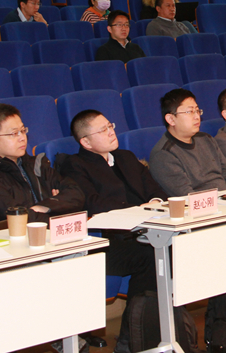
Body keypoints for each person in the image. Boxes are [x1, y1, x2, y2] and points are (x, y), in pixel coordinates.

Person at [57, 110, 162, 353]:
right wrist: (138, 210)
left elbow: (156, 190)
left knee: (173, 246)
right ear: (86, 142)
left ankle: (152, 335)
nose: (111, 132)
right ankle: (132, 340)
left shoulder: (126, 157)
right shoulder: (76, 165)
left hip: (147, 229)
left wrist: (155, 202)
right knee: (152, 256)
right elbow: (92, 203)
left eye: (110, 126)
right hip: (110, 240)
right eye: (103, 130)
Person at [0, 103, 84, 225]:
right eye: (14, 134)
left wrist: (45, 206)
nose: (22, 138)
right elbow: (18, 218)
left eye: (23, 131)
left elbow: (76, 194)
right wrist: (58, 207)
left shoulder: (36, 164)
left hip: (51, 231)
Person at [149, 89, 226, 196]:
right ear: (171, 119)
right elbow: (186, 196)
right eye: (189, 112)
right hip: (203, 204)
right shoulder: (164, 154)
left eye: (197, 111)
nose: (197, 117)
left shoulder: (206, 139)